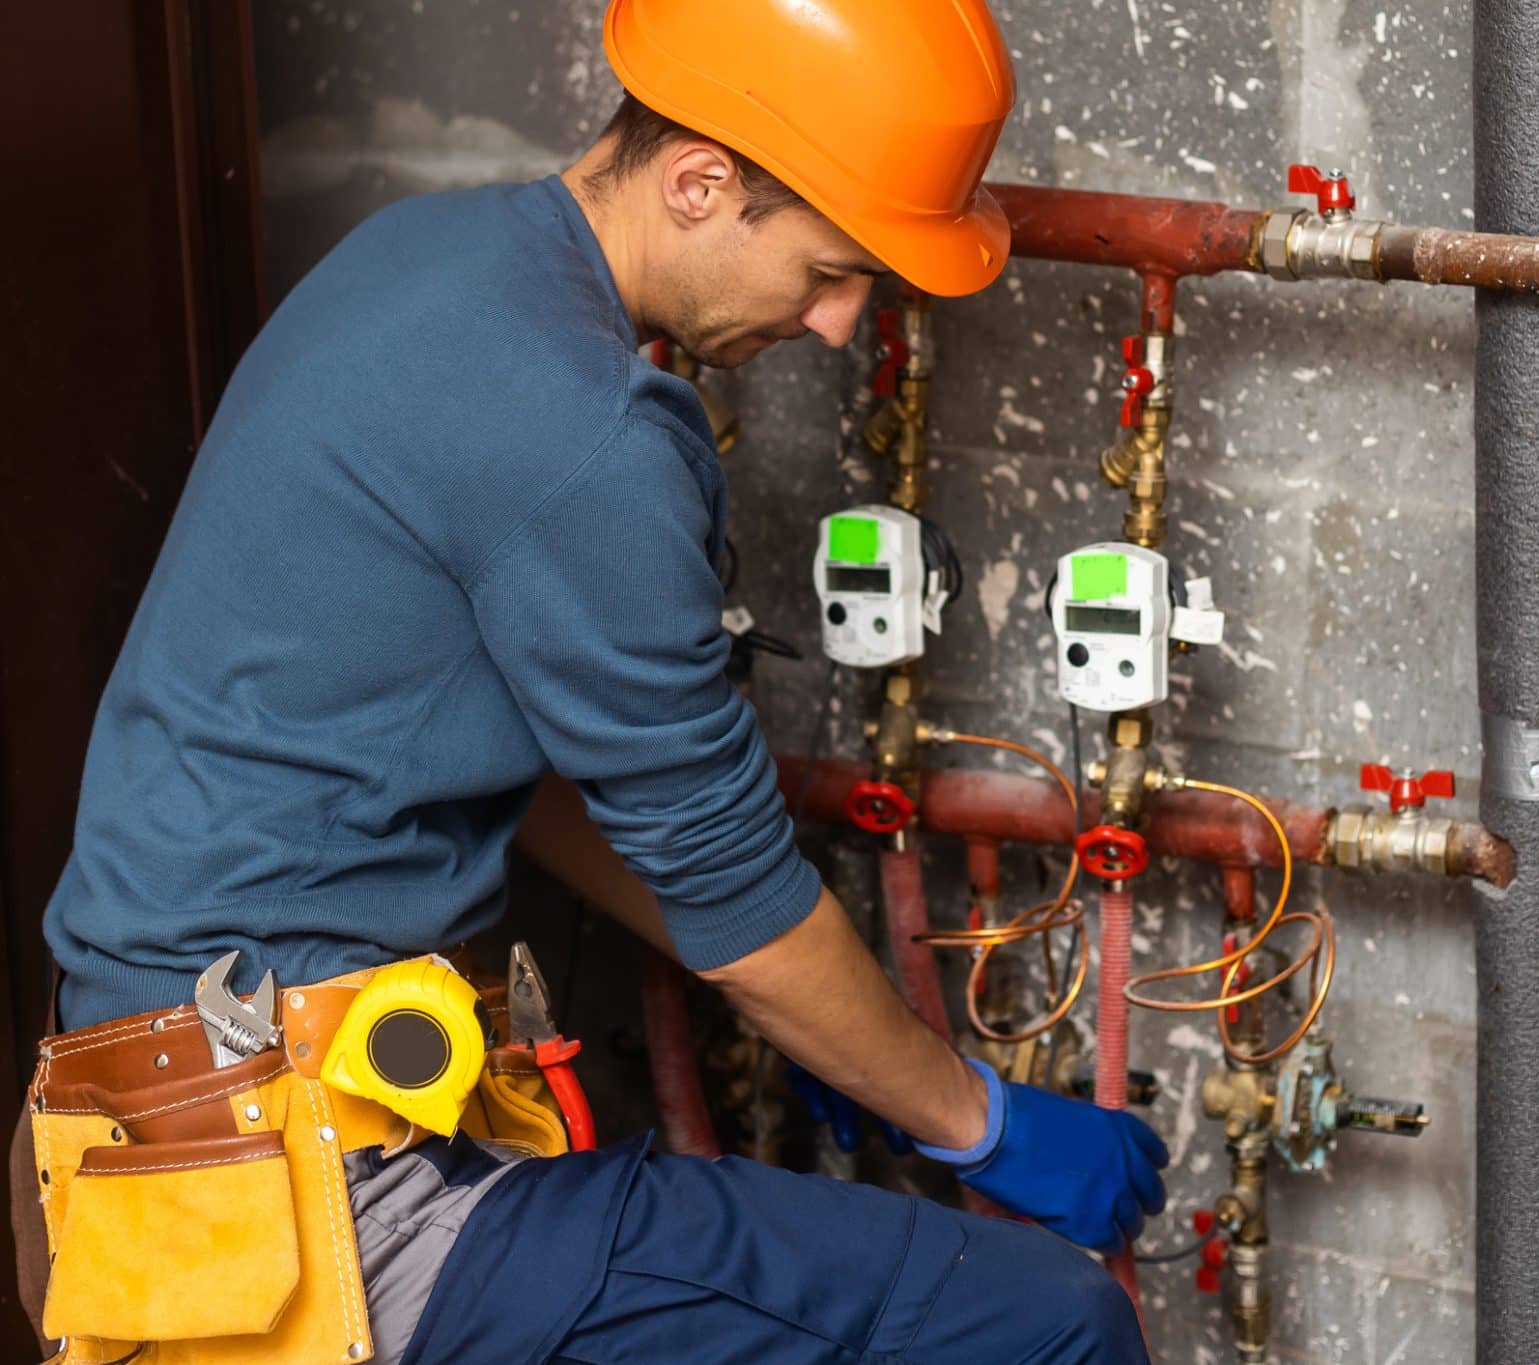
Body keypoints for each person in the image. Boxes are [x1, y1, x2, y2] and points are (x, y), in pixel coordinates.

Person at [20, 2, 1163, 1360]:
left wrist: (835, 1033)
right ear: (700, 182)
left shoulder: (421, 256)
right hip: (315, 1198)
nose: (838, 323)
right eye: (828, 271)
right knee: (1053, 1320)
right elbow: (734, 891)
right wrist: (975, 1118)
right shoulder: (585, 435)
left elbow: (565, 792)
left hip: (129, 1135)